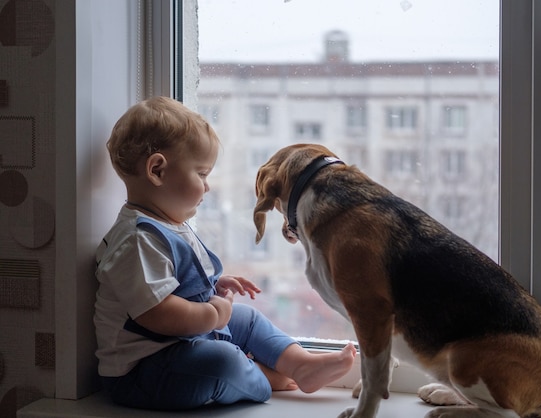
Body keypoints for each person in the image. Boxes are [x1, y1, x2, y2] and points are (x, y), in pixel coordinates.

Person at [93, 96, 356, 410]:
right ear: (158, 170)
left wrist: (213, 290)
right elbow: (158, 314)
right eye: (202, 174)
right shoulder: (137, 240)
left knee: (246, 319)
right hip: (145, 371)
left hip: (183, 344)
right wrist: (215, 313)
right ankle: (265, 377)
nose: (207, 187)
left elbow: (174, 287)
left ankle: (301, 363)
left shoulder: (167, 224)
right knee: (222, 362)